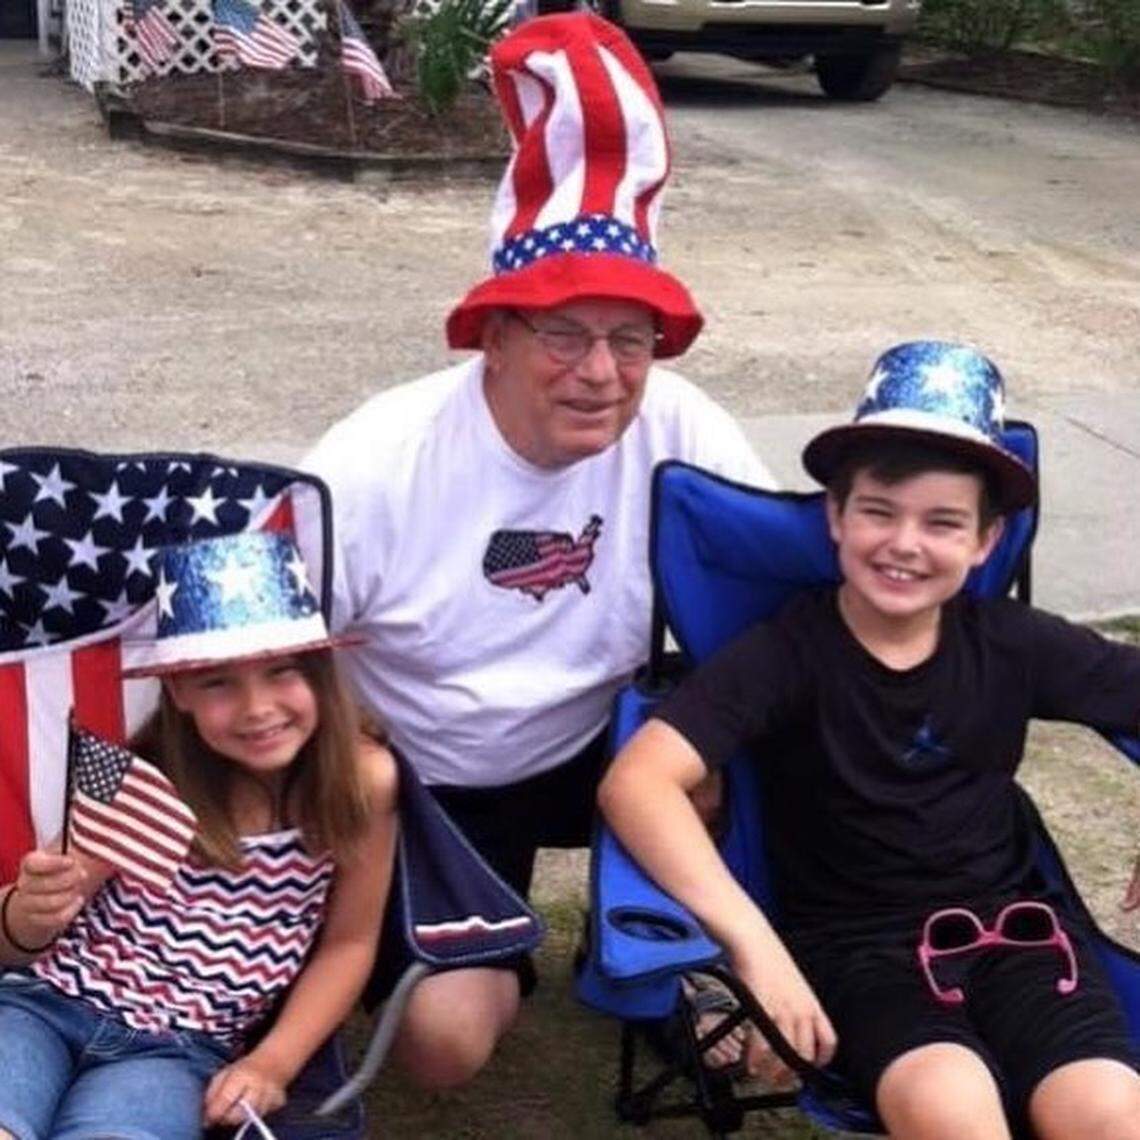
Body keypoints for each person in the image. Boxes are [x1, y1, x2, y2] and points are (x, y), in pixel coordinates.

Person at [304, 11, 773, 1090]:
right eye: (564, 333)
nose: (601, 371)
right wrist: (348, 752)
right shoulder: (376, 463)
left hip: (596, 754)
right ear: (496, 337)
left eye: (631, 338)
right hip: (426, 778)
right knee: (443, 1048)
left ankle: (659, 962)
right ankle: (458, 940)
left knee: (713, 752)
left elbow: (779, 602)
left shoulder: (683, 427)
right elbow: (265, 654)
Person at [599, 341, 1140, 1140]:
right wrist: (754, 948)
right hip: (860, 958)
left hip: (1024, 937)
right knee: (955, 1116)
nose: (905, 544)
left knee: (1108, 1115)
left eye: (943, 522)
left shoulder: (1015, 643)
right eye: (879, 511)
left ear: (987, 541)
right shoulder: (788, 652)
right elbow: (635, 783)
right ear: (835, 516)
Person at [0, 531, 398, 1140]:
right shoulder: (147, 778)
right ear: (179, 692)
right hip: (42, 1006)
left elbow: (349, 944)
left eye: (282, 671)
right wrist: (27, 913)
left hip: (175, 1051)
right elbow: (21, 940)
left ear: (321, 673)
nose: (257, 706)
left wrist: (273, 1062)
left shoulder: (361, 782)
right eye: (219, 682)